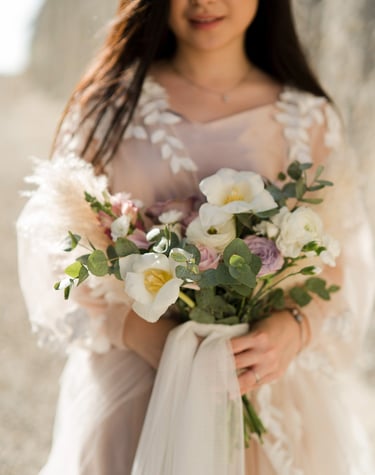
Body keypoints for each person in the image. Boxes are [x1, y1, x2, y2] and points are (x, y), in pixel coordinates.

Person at [17, 0, 375, 474]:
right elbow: (56, 249)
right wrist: (138, 331)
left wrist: (292, 329)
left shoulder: (309, 119)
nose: (203, 1)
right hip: (138, 385)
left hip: (266, 388)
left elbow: (339, 262)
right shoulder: (107, 107)